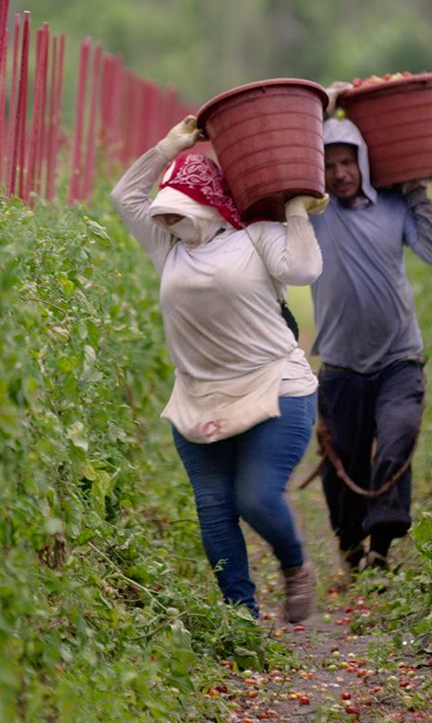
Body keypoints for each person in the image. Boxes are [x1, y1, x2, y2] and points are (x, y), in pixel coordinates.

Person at [111, 115, 328, 622]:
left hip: (275, 386)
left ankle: (296, 566)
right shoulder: (169, 250)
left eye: (179, 213)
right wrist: (168, 146)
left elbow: (303, 269)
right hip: (199, 394)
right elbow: (126, 197)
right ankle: (240, 617)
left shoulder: (257, 236)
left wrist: (296, 211)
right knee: (213, 505)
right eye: (166, 215)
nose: (168, 223)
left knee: (255, 496)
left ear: (208, 203)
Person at [308, 100, 432, 579]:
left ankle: (383, 545)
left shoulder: (393, 205)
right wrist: (323, 103)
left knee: (397, 439)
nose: (340, 173)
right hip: (341, 366)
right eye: (328, 164)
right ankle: (350, 546)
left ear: (363, 163)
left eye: (347, 161)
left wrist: (417, 193)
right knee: (341, 465)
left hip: (398, 359)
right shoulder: (315, 215)